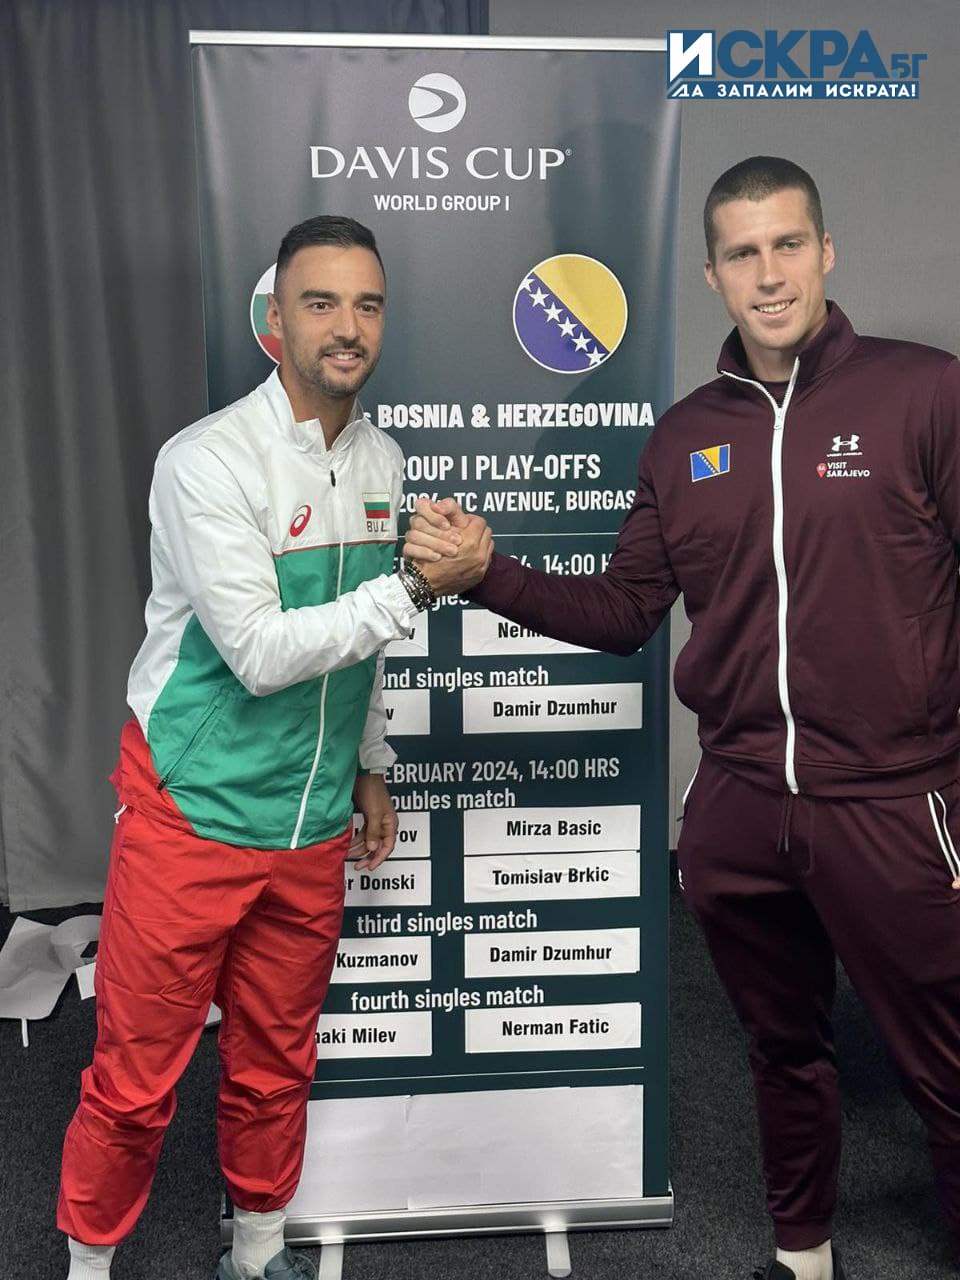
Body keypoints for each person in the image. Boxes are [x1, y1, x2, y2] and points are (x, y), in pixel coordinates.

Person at [403, 157, 960, 1280]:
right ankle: (802, 1254)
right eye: (744, 254)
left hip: (895, 803)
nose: (770, 275)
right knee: (782, 1048)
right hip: (741, 807)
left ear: (826, 251)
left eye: (789, 245)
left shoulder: (926, 394)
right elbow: (624, 612)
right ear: (713, 274)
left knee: (945, 1067)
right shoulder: (682, 436)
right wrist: (484, 575)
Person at [57, 214, 491, 1280]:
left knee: (276, 1063)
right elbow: (257, 652)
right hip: (192, 815)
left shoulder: (382, 459)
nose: (347, 327)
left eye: (367, 305)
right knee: (135, 1079)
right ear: (276, 319)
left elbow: (359, 648)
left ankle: (257, 1256)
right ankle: (87, 1267)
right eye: (321, 302)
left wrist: (370, 763)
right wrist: (416, 585)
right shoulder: (206, 460)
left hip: (310, 828)